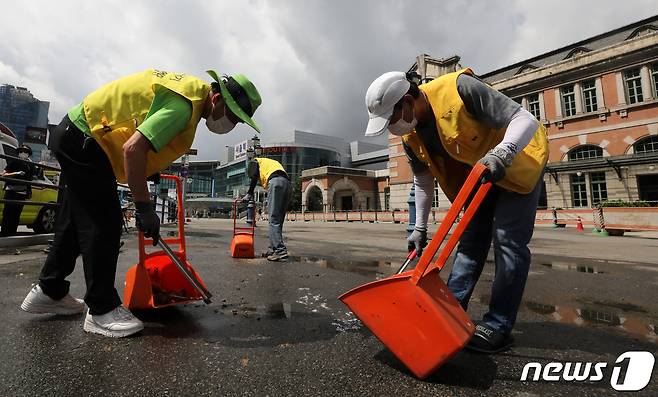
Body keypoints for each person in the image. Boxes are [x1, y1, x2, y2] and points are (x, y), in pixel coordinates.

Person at [21, 69, 262, 337]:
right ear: (216, 98)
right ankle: (101, 310)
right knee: (105, 224)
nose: (230, 125)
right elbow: (133, 149)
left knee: (73, 223)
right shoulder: (184, 107)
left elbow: (139, 131)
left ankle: (49, 290)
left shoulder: (187, 94)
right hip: (85, 140)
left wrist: (149, 169)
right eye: (232, 117)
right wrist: (145, 209)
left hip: (76, 134)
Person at [364, 68, 548, 353]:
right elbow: (422, 183)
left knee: (508, 242)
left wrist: (503, 153)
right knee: (470, 243)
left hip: (519, 163)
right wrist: (419, 228)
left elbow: (524, 119)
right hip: (478, 177)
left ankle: (498, 324)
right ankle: (450, 313)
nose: (391, 127)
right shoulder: (411, 137)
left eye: (391, 118)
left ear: (409, 101)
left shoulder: (459, 89)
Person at [242, 150, 291, 261]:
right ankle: (272, 249)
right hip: (287, 184)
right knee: (278, 221)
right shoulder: (270, 163)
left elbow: (254, 175)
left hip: (276, 183)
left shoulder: (255, 161)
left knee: (273, 220)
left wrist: (249, 193)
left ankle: (280, 251)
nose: (259, 180)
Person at [1, 145, 36, 236]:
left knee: (16, 215)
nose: (23, 153)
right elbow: (4, 174)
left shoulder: (31, 165)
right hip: (11, 191)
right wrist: (16, 173)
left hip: (22, 193)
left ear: (29, 154)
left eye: (25, 152)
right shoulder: (13, 161)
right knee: (7, 213)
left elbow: (33, 177)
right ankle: (4, 233)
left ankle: (12, 233)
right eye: (21, 151)